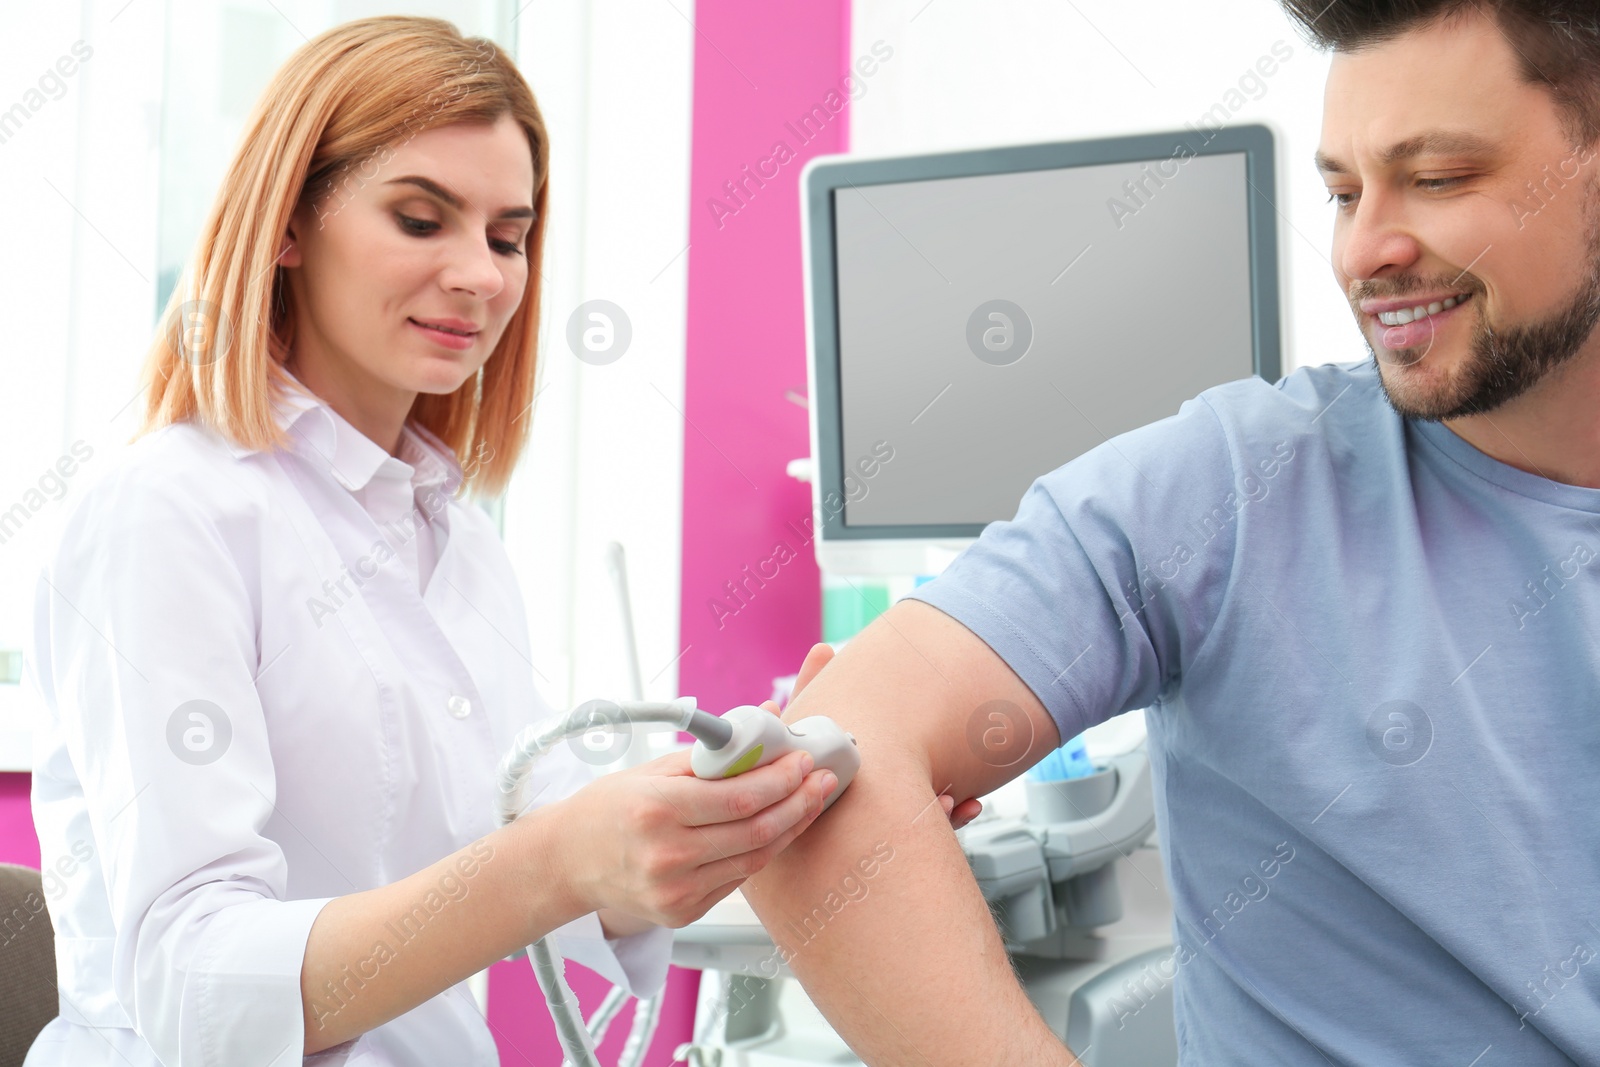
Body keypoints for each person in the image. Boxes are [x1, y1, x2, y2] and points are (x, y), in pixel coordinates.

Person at [740, 3, 1600, 1065]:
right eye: (1340, 192)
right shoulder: (1234, 488)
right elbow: (819, 771)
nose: (1364, 248)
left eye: (1437, 179)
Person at [21, 16, 878, 1065]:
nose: (480, 275)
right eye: (422, 219)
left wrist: (742, 799)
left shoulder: (458, 542)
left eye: (506, 236)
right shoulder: (168, 512)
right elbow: (193, 988)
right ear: (289, 221)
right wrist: (553, 863)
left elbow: (545, 840)